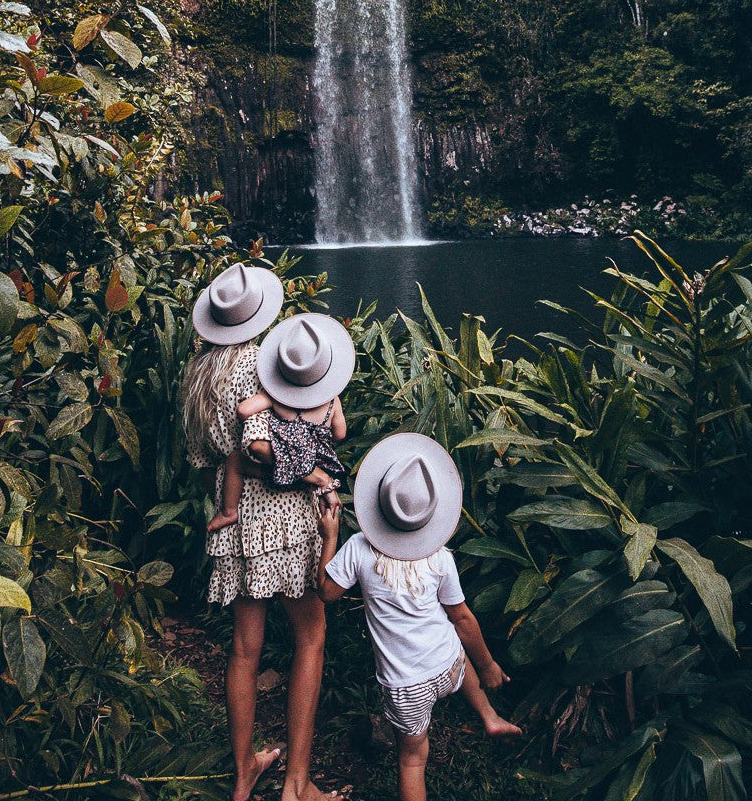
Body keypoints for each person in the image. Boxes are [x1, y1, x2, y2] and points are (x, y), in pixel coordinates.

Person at [183, 262, 343, 801]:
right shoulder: (259, 363)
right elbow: (259, 454)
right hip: (284, 518)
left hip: (232, 520)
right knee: (311, 635)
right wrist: (317, 474)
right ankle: (297, 785)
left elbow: (208, 456)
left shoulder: (197, 372)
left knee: (244, 650)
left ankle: (244, 771)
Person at [313, 432, 521, 801]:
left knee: (412, 757)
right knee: (457, 651)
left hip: (404, 686)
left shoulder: (360, 548)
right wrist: (487, 665)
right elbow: (462, 618)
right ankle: (488, 715)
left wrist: (328, 535)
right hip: (447, 665)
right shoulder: (440, 557)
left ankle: (482, 720)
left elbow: (326, 593)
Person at [207, 315, 351, 532]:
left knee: (235, 460)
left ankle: (229, 512)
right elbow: (340, 434)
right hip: (310, 472)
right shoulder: (332, 400)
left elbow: (243, 410)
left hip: (279, 470)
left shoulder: (276, 397)